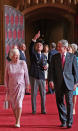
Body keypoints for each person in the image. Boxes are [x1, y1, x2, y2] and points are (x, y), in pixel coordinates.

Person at [48, 39, 78, 128]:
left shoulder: (72, 57)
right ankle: (63, 120)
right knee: (59, 102)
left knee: (69, 102)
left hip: (69, 83)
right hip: (58, 83)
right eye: (57, 46)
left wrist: (76, 83)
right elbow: (51, 70)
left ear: (65, 47)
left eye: (59, 46)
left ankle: (69, 122)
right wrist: (50, 80)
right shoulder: (54, 57)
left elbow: (76, 71)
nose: (57, 48)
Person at [4, 48, 30, 128]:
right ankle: (17, 119)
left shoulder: (23, 63)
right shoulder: (8, 65)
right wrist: (6, 87)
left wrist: (27, 85)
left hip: (20, 86)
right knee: (14, 105)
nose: (17, 57)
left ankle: (18, 121)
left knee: (19, 103)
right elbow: (6, 78)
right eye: (15, 56)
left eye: (18, 56)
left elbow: (26, 75)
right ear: (11, 56)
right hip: (11, 87)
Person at [29, 31, 47, 114]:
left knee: (43, 94)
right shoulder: (33, 54)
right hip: (34, 76)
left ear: (43, 47)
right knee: (34, 94)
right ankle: (34, 110)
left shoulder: (44, 56)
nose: (39, 46)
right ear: (36, 47)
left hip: (42, 77)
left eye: (40, 45)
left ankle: (43, 110)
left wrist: (45, 67)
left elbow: (44, 65)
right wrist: (35, 38)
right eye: (38, 45)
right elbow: (30, 47)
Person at [71, 43, 78, 115]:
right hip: (68, 78)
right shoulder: (67, 57)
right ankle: (69, 107)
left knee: (74, 94)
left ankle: (73, 108)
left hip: (75, 79)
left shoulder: (76, 59)